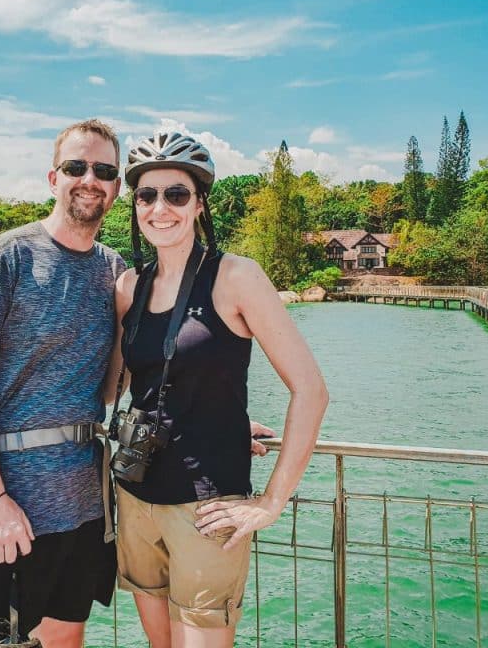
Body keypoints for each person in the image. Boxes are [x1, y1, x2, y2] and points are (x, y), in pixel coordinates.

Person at [108, 131, 329, 648]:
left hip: (207, 509)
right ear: (135, 205)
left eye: (176, 194)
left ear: (200, 203)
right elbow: (125, 385)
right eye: (147, 195)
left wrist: (271, 501)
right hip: (136, 497)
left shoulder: (236, 278)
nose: (160, 207)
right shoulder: (128, 287)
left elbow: (312, 391)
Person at [0, 119, 125, 648]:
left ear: (116, 187)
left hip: (85, 507)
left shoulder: (115, 271)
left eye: (105, 171)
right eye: (76, 167)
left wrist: (213, 420)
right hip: (2, 513)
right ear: (53, 177)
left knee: (67, 639)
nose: (90, 179)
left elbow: (111, 389)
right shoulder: (5, 257)